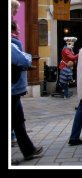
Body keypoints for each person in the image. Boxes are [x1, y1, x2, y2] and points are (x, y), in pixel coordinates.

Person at [11, 20, 43, 163]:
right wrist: (27, 57)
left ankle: (29, 150)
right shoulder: (12, 44)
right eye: (17, 29)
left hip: (14, 92)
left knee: (18, 122)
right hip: (12, 90)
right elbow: (24, 60)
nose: (19, 31)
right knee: (16, 122)